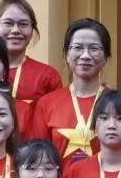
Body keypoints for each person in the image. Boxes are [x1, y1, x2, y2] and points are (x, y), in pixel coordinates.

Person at [29, 17, 113, 160]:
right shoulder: (46, 104)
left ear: (105, 57)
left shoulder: (117, 103)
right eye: (78, 48)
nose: (85, 56)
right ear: (67, 55)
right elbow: (37, 157)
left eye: (94, 48)